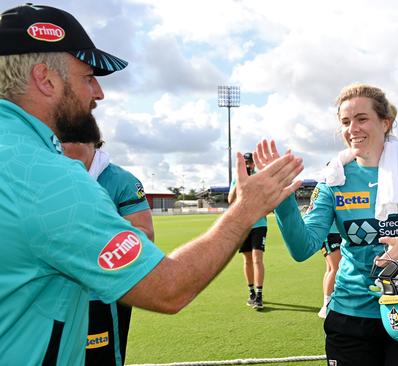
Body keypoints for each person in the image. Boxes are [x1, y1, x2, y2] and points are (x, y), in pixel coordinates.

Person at [0, 4, 302, 365]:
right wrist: (246, 208)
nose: (98, 92)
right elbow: (168, 288)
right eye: (87, 77)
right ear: (45, 79)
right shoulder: (49, 180)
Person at [255, 83, 398, 366]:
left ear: (386, 122)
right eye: (345, 122)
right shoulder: (333, 179)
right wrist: (283, 202)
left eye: (362, 119)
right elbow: (303, 247)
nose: (352, 128)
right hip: (350, 314)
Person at [62, 130, 154, 365]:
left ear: (93, 142)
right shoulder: (45, 173)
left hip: (101, 296)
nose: (63, 147)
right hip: (50, 293)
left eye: (72, 139)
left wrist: (88, 249)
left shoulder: (121, 181)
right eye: (59, 139)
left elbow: (145, 236)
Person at [228, 152, 267, 310]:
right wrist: (239, 181)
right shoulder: (236, 179)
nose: (248, 165)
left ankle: (259, 295)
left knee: (257, 259)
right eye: (245, 163)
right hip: (243, 225)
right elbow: (231, 200)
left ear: (253, 164)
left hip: (259, 224)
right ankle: (251, 292)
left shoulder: (259, 177)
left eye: (249, 163)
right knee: (247, 260)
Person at [318, 222, 342, 318]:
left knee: (330, 269)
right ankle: (326, 306)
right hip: (329, 234)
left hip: (333, 233)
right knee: (335, 268)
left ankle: (326, 304)